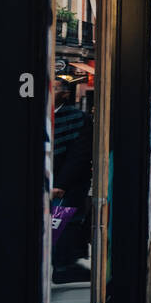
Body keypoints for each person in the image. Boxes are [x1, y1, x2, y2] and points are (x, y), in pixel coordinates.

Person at [51, 79, 93, 283]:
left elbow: (79, 155)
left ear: (65, 94)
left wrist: (61, 184)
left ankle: (63, 266)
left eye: (55, 89)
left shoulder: (77, 118)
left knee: (62, 223)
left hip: (67, 187)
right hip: (47, 185)